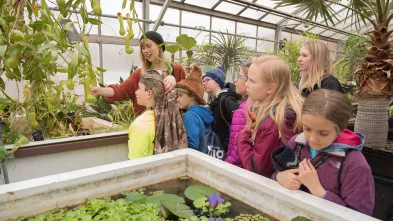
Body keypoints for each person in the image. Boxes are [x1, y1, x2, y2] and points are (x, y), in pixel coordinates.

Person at [271, 89, 374, 216]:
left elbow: (359, 216)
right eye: (307, 128)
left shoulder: (355, 165)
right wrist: (279, 177)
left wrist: (319, 191)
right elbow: (276, 173)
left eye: (323, 133)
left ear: (340, 129)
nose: (312, 138)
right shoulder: (296, 143)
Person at [90, 31, 186, 116]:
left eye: (149, 46)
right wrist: (99, 90)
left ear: (160, 47)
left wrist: (175, 82)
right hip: (147, 126)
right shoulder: (139, 74)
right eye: (143, 48)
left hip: (172, 126)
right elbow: (120, 91)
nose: (145, 51)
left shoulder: (176, 70)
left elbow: (188, 96)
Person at [237, 55, 303, 177]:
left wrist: (244, 134)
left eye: (252, 80)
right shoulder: (285, 110)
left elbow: (255, 169)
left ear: (271, 88)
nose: (246, 84)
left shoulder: (273, 122)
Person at [128, 69, 188, 159]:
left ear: (149, 93)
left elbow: (135, 165)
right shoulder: (175, 117)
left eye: (139, 88)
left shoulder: (140, 125)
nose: (136, 92)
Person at [202, 67, 242, 153]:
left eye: (207, 80)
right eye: (203, 81)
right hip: (219, 148)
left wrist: (227, 147)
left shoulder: (227, 99)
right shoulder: (216, 100)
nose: (204, 83)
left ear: (218, 82)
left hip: (227, 149)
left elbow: (238, 126)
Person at [175, 65, 213, 150]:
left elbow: (192, 146)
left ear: (192, 96)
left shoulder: (190, 116)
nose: (177, 99)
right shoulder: (202, 113)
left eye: (180, 95)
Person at [225, 63, 253, 168]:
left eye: (240, 77)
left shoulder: (242, 112)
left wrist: (225, 166)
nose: (235, 80)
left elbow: (237, 152)